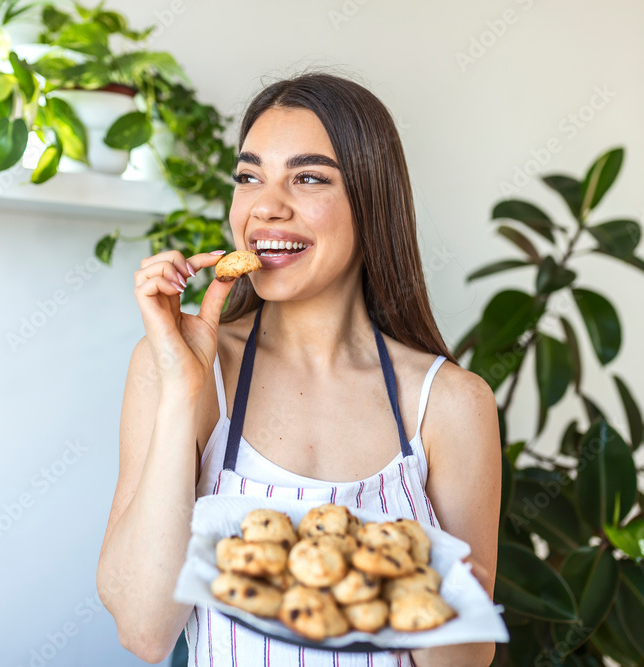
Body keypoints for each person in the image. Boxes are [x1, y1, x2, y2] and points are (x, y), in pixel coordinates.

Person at [97, 71, 501, 666]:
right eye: (249, 176)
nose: (266, 205)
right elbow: (143, 630)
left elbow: (466, 660)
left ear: (372, 200)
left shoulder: (449, 403)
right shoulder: (180, 371)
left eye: (308, 177)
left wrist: (424, 586)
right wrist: (182, 390)